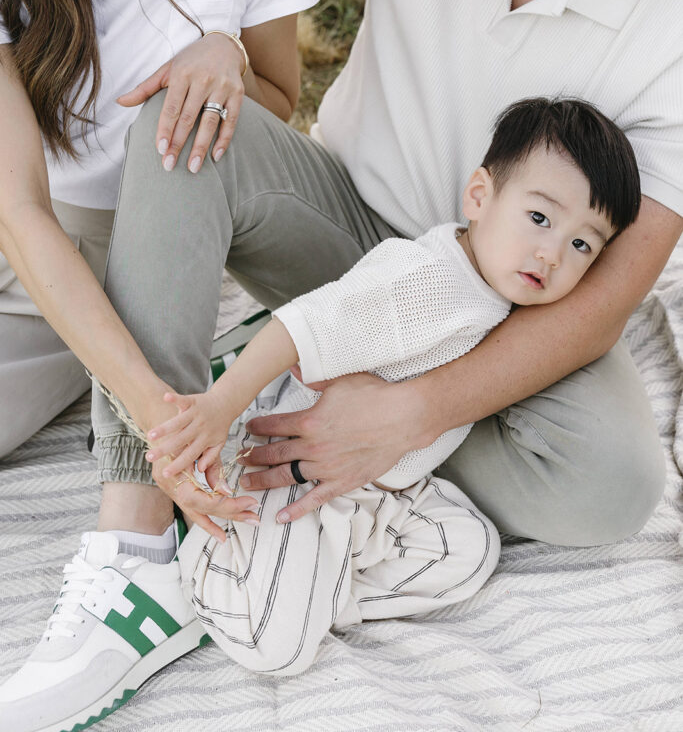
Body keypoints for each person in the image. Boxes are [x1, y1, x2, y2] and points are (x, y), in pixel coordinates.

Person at [2, 0, 682, 725]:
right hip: (339, 234)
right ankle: (137, 544)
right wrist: (220, 44)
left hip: (512, 301)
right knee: (183, 119)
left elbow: (604, 302)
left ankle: (309, 415)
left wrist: (408, 411)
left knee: (613, 487)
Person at [0, 0, 318, 728]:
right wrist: (160, 410)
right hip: (36, 250)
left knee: (172, 134)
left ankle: (131, 551)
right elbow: (19, 211)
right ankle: (202, 372)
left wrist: (222, 52)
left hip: (163, 229)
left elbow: (275, 105)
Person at [138, 97, 641, 676]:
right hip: (303, 478)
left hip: (382, 496)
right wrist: (220, 407)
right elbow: (303, 324)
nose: (551, 253)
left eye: (582, 244)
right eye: (540, 219)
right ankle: (212, 572)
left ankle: (308, 594)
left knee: (470, 551)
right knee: (276, 652)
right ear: (479, 197)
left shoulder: (507, 305)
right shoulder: (426, 281)